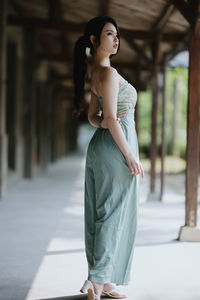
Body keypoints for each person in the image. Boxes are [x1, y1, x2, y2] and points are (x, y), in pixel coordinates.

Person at [73, 16, 144, 300]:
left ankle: (104, 279)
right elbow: (113, 118)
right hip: (117, 148)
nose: (116, 40)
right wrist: (129, 155)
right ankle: (98, 281)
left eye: (117, 35)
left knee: (102, 213)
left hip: (102, 146)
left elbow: (95, 117)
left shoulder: (97, 73)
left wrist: (103, 123)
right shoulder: (110, 75)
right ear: (94, 40)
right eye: (109, 34)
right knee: (114, 215)